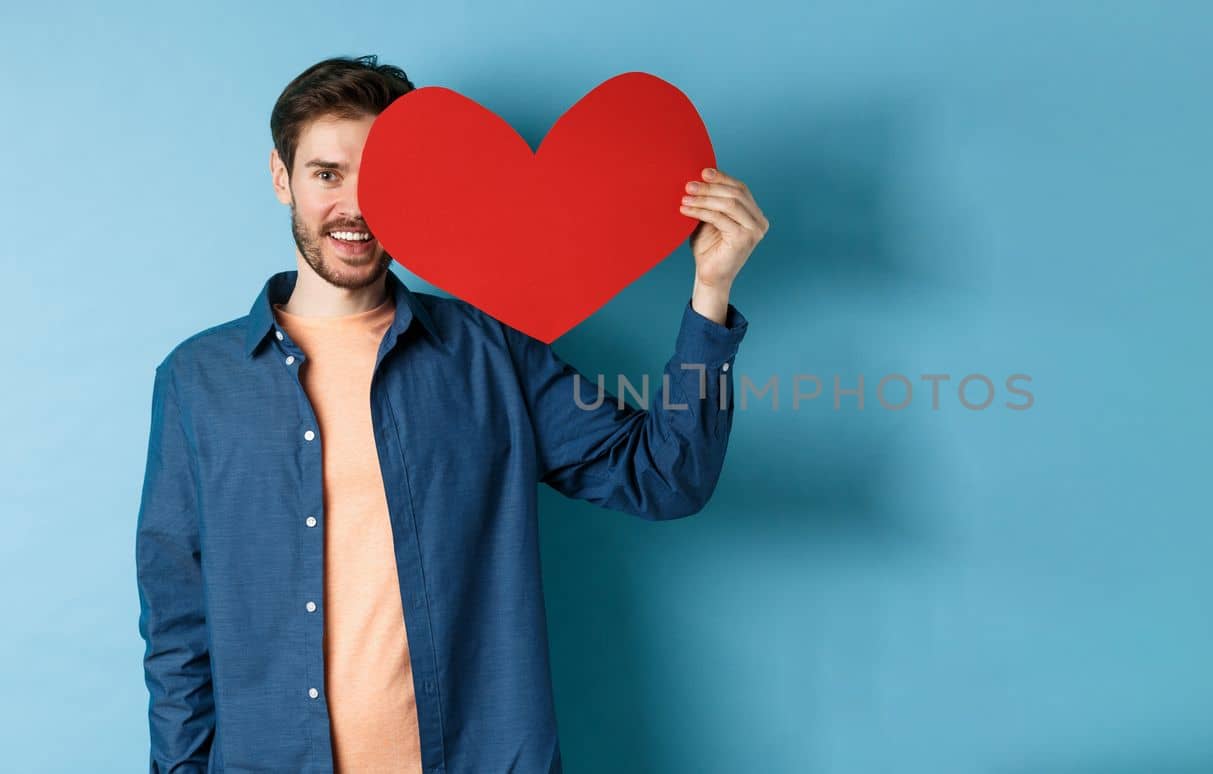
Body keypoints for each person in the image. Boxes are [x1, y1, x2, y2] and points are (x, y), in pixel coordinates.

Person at [134, 54, 768, 773]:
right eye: (326, 173)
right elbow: (177, 629)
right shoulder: (198, 381)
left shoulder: (490, 352)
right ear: (282, 178)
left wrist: (709, 292)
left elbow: (664, 478)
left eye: (379, 178)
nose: (354, 207)